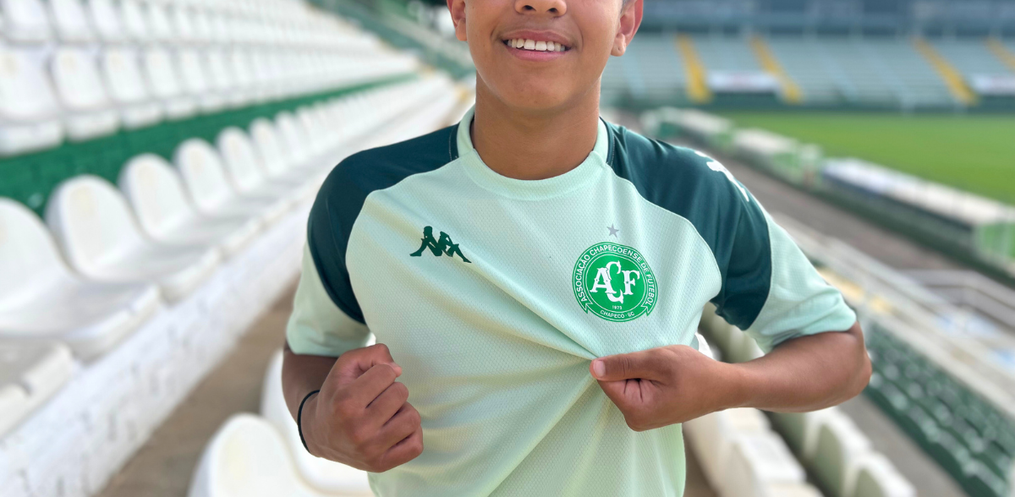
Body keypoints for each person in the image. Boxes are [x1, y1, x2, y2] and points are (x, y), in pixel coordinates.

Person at [281, 0, 872, 495]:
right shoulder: (364, 197)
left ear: (625, 22)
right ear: (459, 10)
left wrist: (725, 387)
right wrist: (317, 424)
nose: (542, 2)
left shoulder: (691, 195)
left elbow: (841, 352)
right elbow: (310, 352)